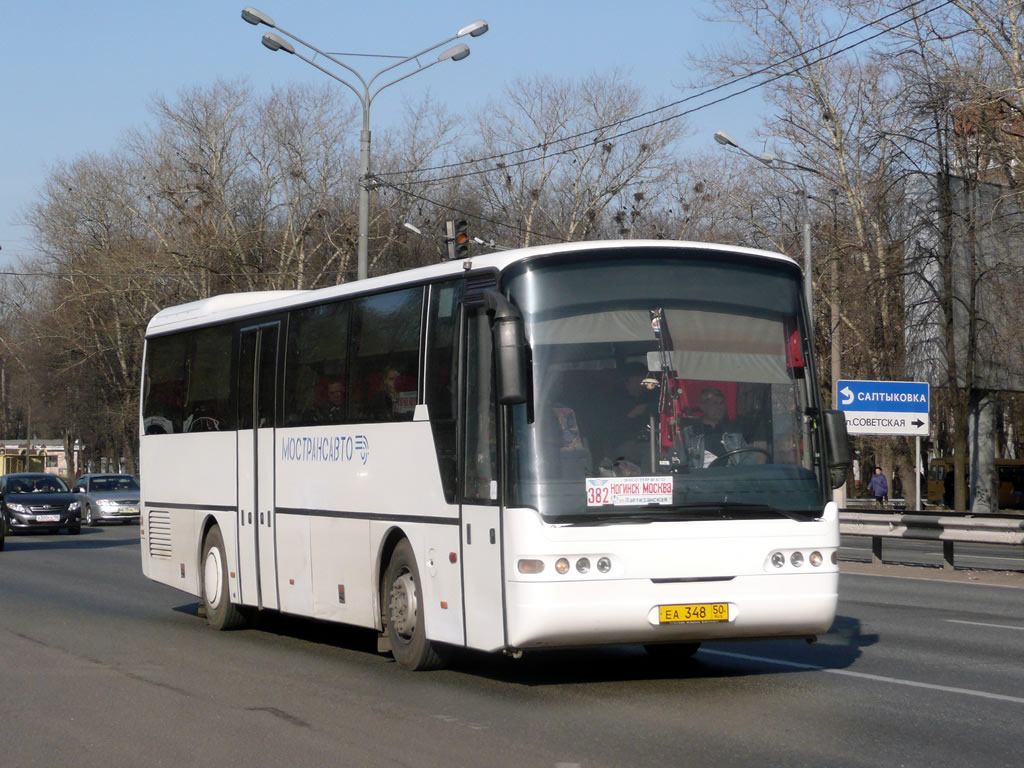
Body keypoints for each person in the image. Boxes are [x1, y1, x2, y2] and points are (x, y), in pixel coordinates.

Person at [681, 386, 759, 469]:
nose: (719, 407)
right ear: (702, 406)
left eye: (722, 403)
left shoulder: (734, 435)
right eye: (715, 403)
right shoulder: (688, 434)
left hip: (730, 479)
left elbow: (749, 462)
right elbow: (679, 465)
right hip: (700, 480)